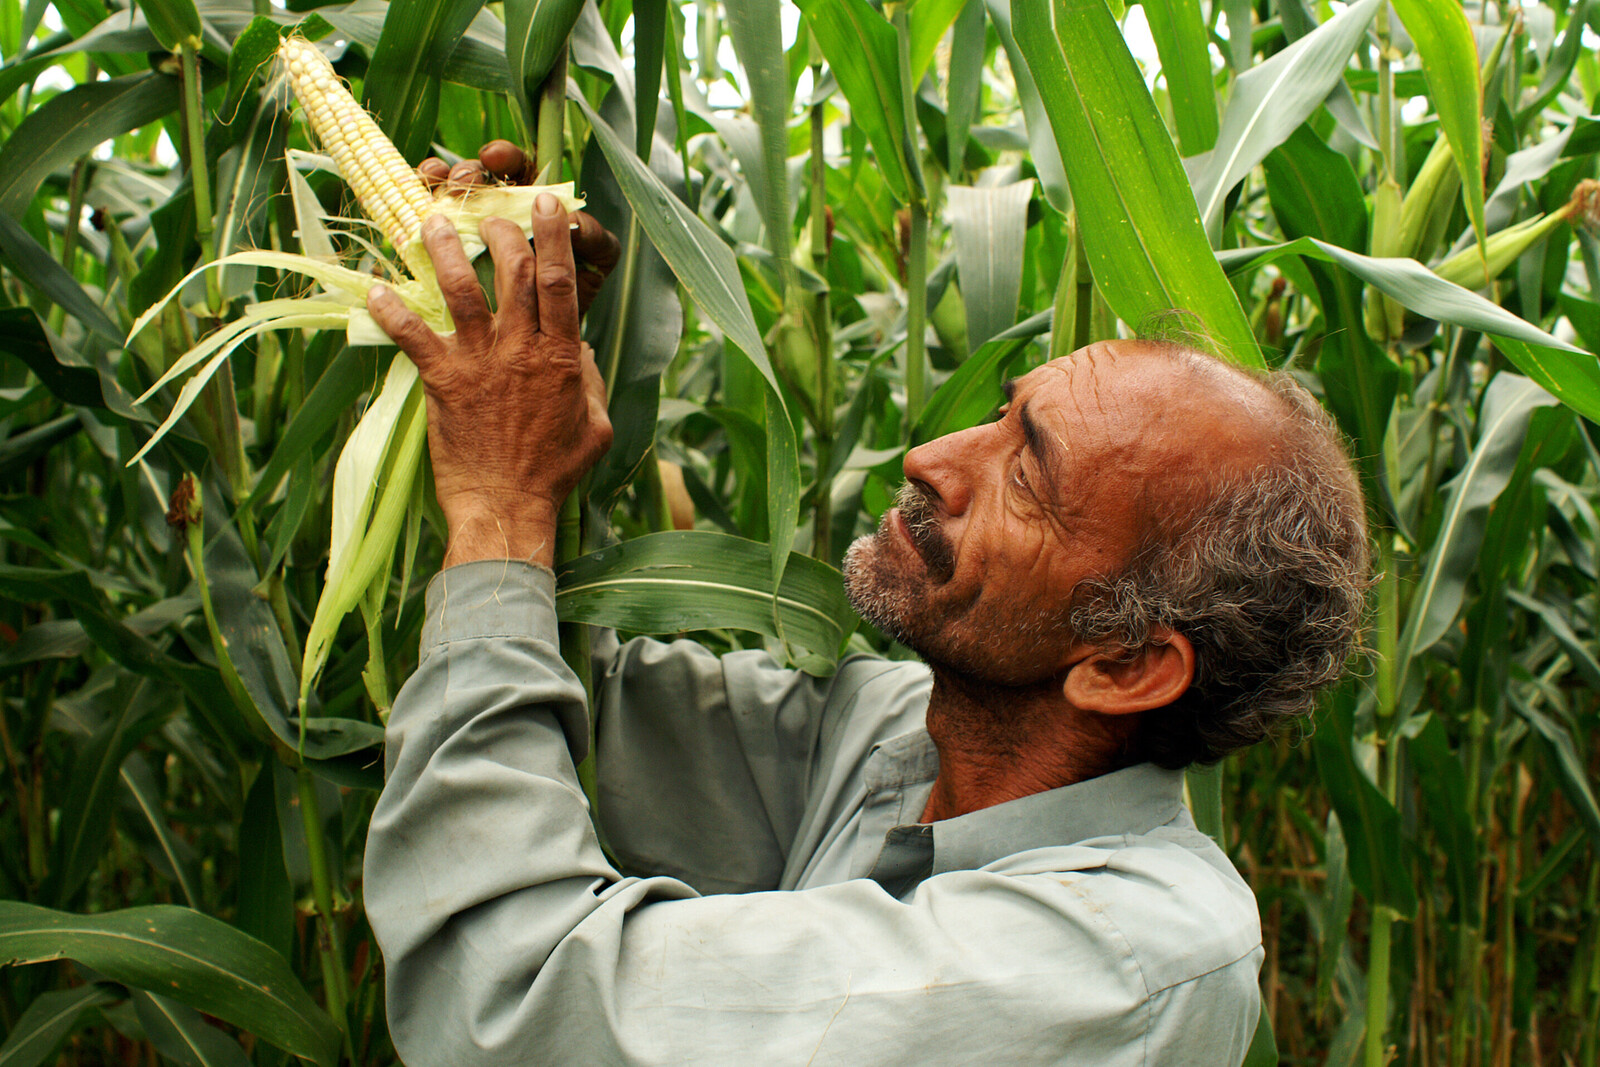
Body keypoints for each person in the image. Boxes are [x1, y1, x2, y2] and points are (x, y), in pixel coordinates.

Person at [362, 146, 1370, 1066]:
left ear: (1124, 663)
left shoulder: (1111, 963)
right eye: (1000, 412)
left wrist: (500, 504)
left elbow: (514, 1001)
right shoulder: (903, 732)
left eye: (1028, 475)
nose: (931, 459)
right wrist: (494, 357)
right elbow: (526, 682)